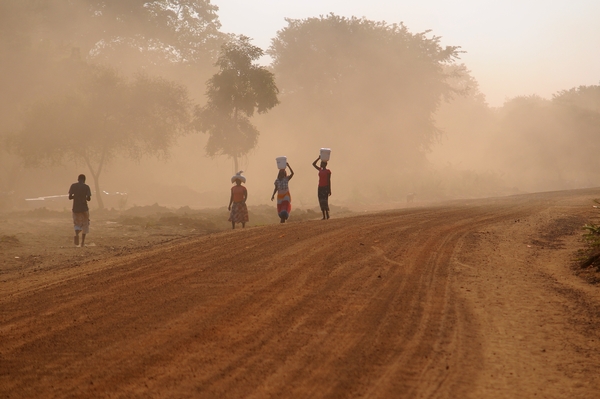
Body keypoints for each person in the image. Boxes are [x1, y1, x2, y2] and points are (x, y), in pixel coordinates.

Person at [68, 174, 92, 247]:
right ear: (84, 180)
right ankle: (82, 243)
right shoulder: (86, 187)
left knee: (77, 223)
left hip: (76, 208)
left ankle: (76, 234)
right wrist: (84, 197)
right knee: (85, 223)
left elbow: (70, 197)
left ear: (78, 179)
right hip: (84, 208)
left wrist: (75, 196)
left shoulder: (73, 186)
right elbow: (89, 198)